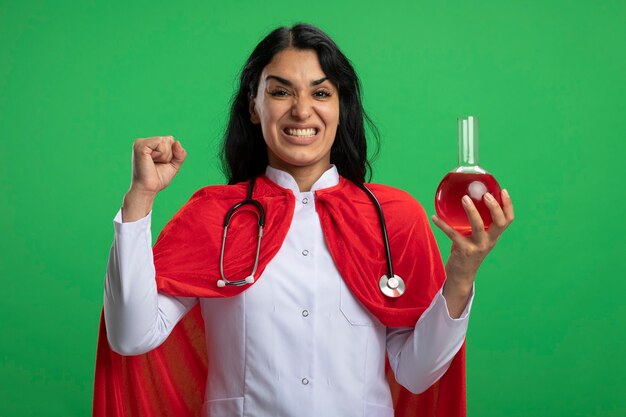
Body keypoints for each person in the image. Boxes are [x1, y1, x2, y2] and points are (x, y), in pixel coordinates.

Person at [93, 23, 514, 417]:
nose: (301, 110)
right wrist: (140, 199)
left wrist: (461, 273)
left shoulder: (394, 218)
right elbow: (131, 336)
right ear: (253, 106)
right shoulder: (214, 215)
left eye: (321, 93)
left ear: (341, 106)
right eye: (280, 92)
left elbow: (416, 373)